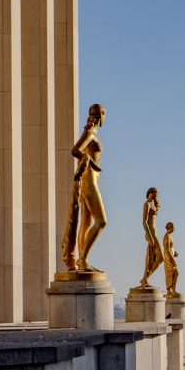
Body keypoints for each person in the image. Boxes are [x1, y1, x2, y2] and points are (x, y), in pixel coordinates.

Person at [63, 104, 107, 271]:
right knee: (102, 222)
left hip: (91, 180)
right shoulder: (89, 133)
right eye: (104, 114)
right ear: (101, 115)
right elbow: (76, 150)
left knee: (86, 222)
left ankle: (82, 260)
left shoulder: (92, 133)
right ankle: (83, 259)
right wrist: (89, 161)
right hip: (89, 182)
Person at [137, 188, 162, 287]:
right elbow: (144, 221)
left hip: (155, 233)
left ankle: (145, 278)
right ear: (151, 193)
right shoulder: (147, 204)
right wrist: (149, 235)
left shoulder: (153, 204)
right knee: (152, 257)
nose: (157, 196)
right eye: (156, 194)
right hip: (151, 233)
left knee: (159, 258)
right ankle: (145, 279)